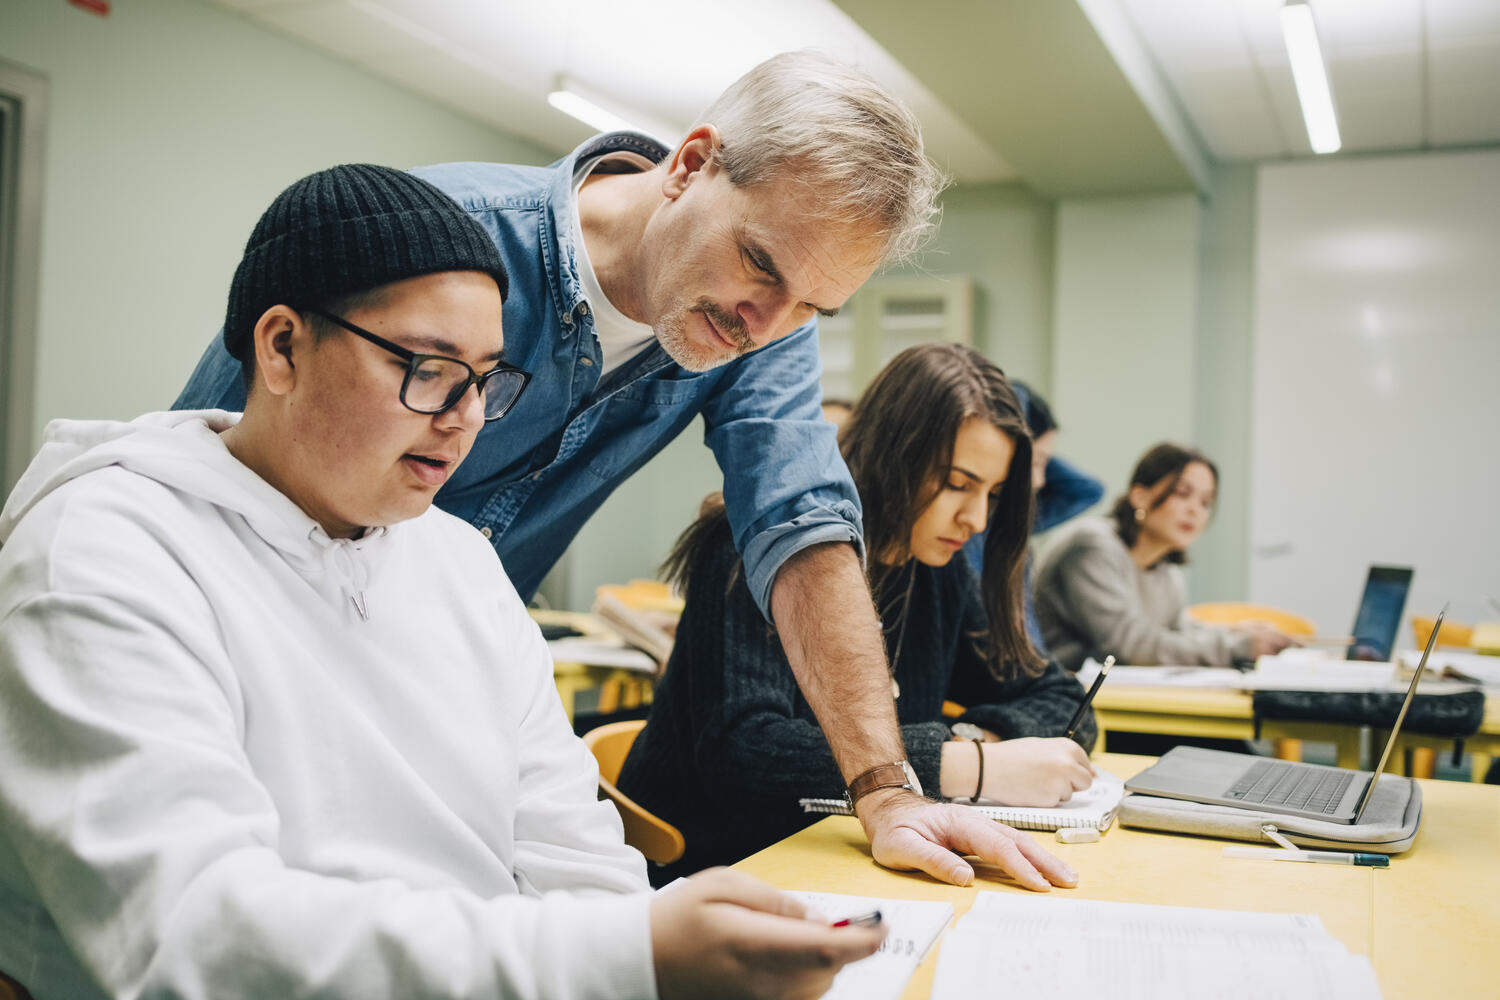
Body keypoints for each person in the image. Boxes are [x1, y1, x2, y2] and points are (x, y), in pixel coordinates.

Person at [172, 52, 1073, 888]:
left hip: (442, 685)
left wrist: (885, 790)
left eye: (812, 306)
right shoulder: (440, 244)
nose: (764, 323)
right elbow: (210, 463)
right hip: (250, 667)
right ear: (690, 165)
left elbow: (804, 526)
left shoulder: (761, 331)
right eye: (760, 264)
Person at [0, 165, 886, 1000]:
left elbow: (571, 858)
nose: (464, 421)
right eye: (426, 370)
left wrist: (637, 950)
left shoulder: (456, 560)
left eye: (485, 380)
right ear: (281, 347)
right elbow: (194, 936)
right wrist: (625, 954)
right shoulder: (103, 554)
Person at [618, 344, 1095, 883]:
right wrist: (966, 763)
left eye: (993, 492)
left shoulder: (936, 566)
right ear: (895, 454)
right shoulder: (750, 547)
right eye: (958, 484)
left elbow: (1062, 699)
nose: (977, 519)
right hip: (709, 860)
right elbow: (743, 754)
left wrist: (979, 741)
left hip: (842, 850)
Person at [1033, 442, 1300, 672]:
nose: (1195, 510)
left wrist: (1236, 632)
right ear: (1139, 496)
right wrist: (1239, 646)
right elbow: (1129, 644)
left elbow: (1175, 630)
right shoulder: (1091, 546)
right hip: (1067, 702)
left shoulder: (1166, 571)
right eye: (1182, 494)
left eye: (1205, 502)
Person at [961, 381, 1104, 650]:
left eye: (1046, 465)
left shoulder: (1012, 522)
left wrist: (1037, 454)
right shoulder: (964, 532)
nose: (1041, 481)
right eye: (1036, 463)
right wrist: (1020, 447)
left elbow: (1088, 491)